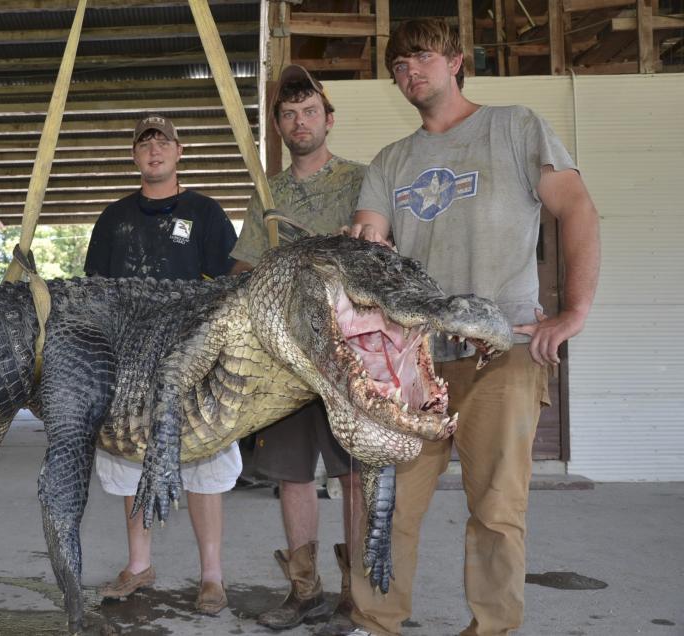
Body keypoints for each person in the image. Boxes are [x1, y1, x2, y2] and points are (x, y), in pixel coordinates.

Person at [341, 18, 601, 636]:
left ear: (456, 61)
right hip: (414, 363)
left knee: (496, 507)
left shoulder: (514, 127)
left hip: (503, 350)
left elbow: (577, 208)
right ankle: (375, 621)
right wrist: (365, 243)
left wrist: (575, 311)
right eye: (399, 66)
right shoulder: (392, 160)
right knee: (390, 506)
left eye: (422, 58)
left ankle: (492, 627)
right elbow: (370, 233)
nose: (411, 74)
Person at [84, 114, 242, 615]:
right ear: (134, 155)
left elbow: (228, 288)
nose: (154, 149)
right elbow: (94, 294)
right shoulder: (113, 219)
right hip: (130, 362)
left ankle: (212, 575)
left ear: (179, 152)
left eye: (163, 141)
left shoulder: (206, 213)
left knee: (205, 463)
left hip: (192, 360)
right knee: (130, 460)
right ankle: (138, 565)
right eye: (144, 142)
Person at [229, 65, 369, 631]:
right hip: (285, 358)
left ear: (328, 119)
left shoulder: (363, 181)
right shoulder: (269, 195)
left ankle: (357, 594)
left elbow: (381, 253)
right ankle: (303, 591)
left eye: (309, 110)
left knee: (354, 474)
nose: (299, 121)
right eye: (289, 115)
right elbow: (242, 267)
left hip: (348, 355)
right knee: (292, 474)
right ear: (281, 129)